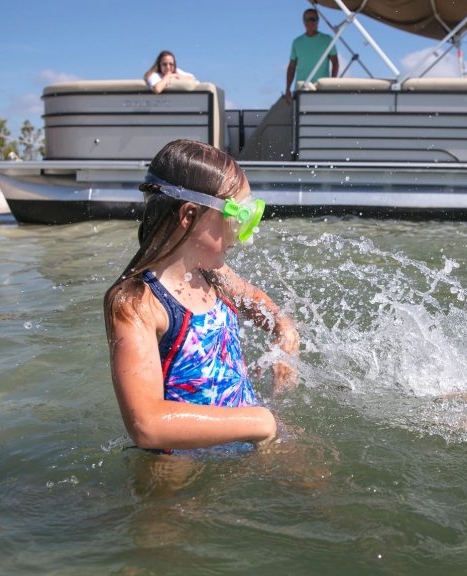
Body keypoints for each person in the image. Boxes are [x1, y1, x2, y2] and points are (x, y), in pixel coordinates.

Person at [104, 139, 300, 453]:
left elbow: (259, 304)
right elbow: (146, 424)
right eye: (238, 217)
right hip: (180, 467)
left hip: (250, 436)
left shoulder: (213, 273)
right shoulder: (138, 302)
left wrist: (285, 332)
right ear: (190, 215)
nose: (241, 231)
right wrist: (259, 423)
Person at [285, 7, 339, 104]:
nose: (310, 22)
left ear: (318, 21)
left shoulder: (327, 40)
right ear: (303, 22)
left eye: (313, 19)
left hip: (321, 89)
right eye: (307, 19)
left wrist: (332, 83)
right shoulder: (297, 42)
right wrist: (287, 88)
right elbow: (291, 67)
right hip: (301, 89)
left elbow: (335, 62)